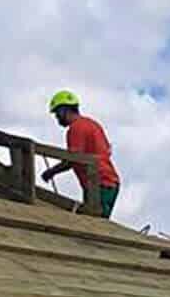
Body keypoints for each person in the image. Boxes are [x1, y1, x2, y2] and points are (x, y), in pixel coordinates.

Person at [42, 90, 121, 218]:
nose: (57, 118)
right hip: (108, 182)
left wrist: (51, 172)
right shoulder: (93, 124)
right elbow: (106, 151)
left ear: (64, 110)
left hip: (99, 182)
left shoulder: (76, 128)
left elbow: (73, 159)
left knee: (95, 223)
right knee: (96, 221)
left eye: (57, 114)